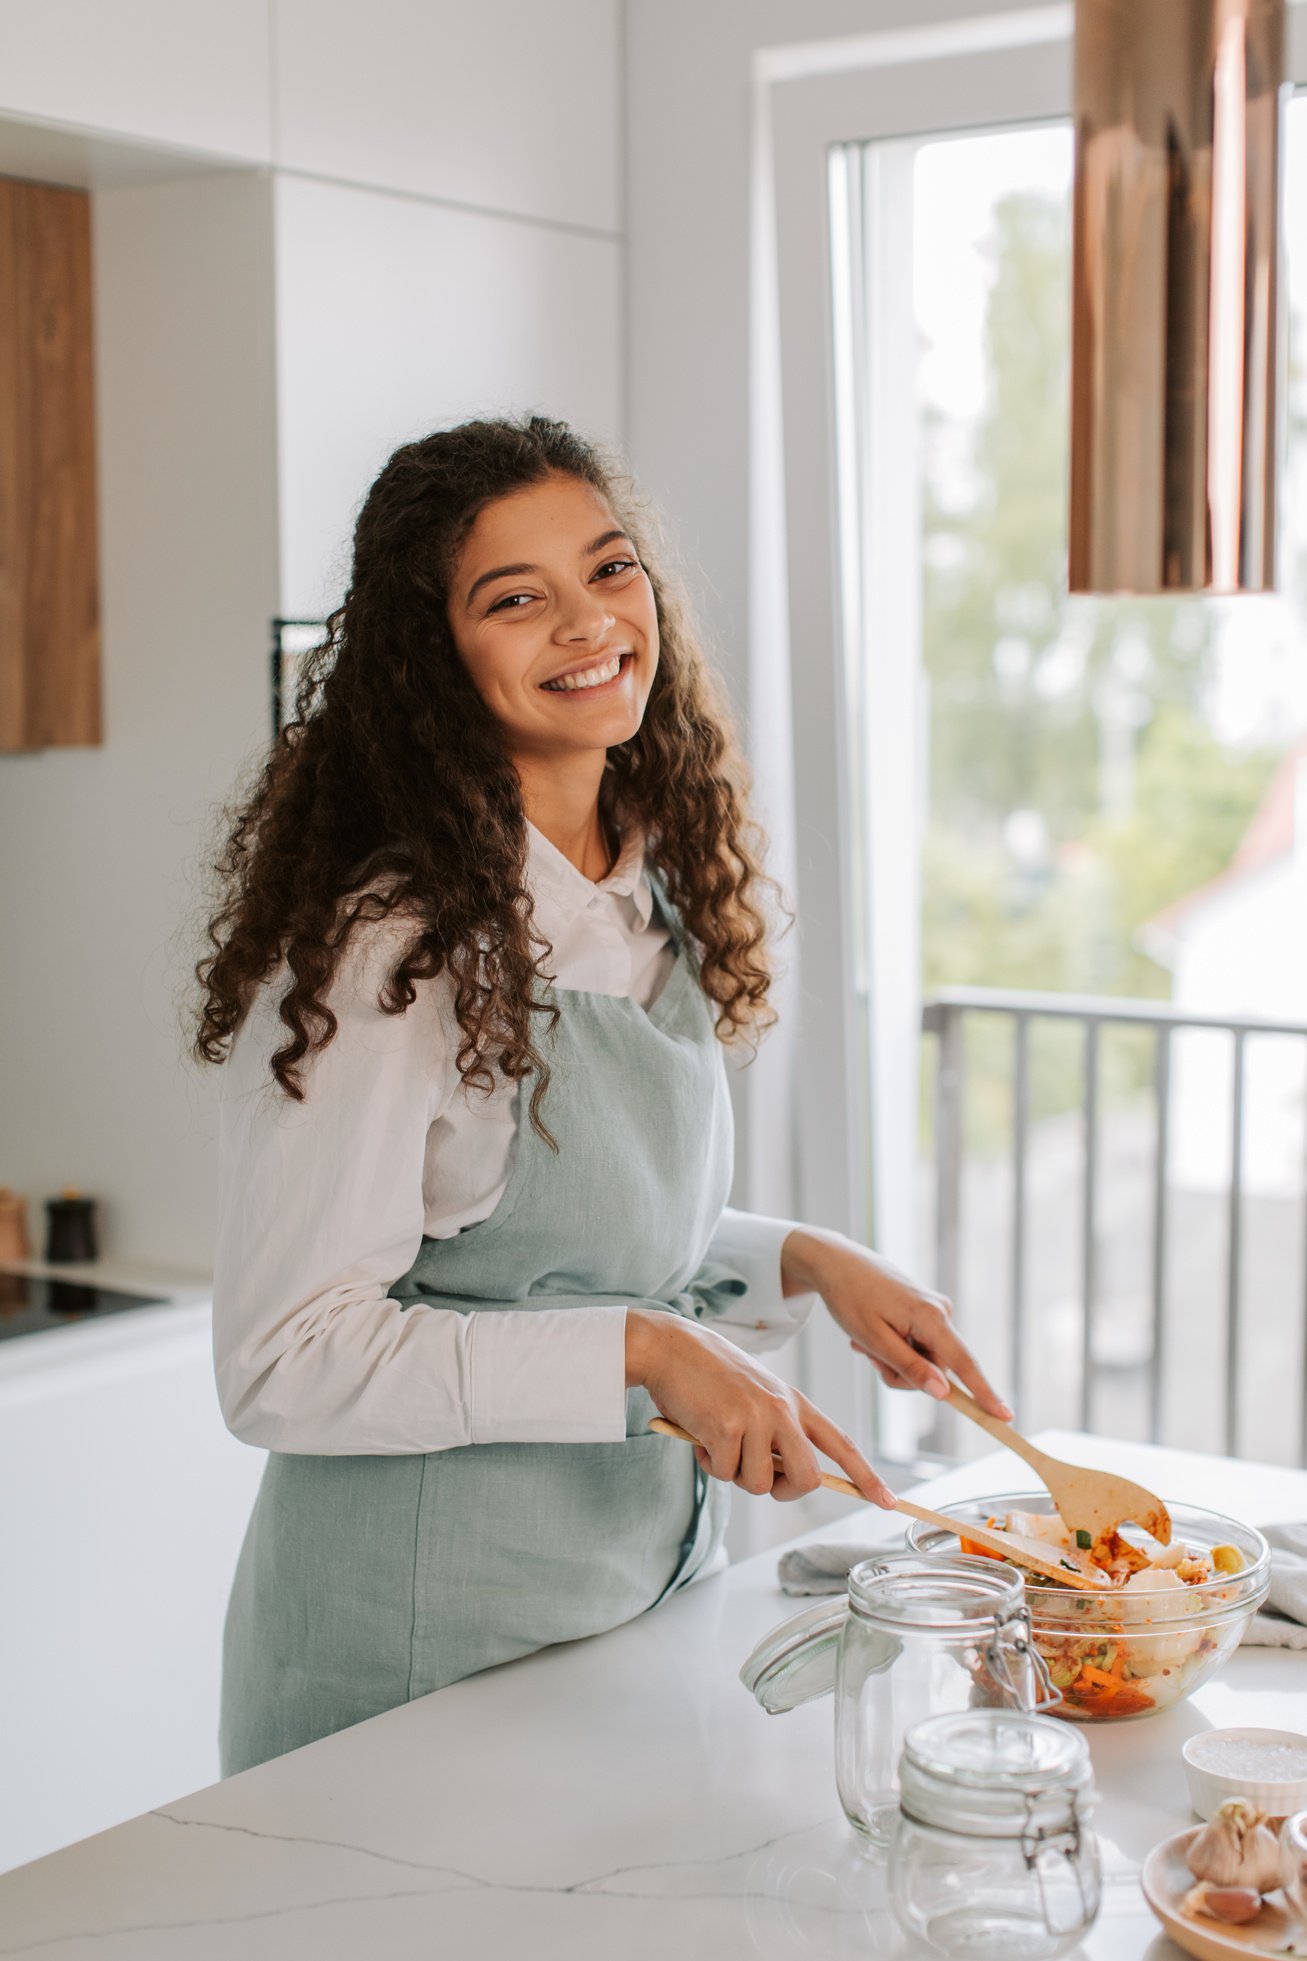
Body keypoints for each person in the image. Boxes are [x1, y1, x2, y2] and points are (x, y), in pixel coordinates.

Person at [196, 415, 1009, 1776]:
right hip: (414, 1666)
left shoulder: (650, 897)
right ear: (431, 658)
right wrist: (644, 1351)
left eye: (609, 569)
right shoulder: (394, 947)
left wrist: (805, 1261)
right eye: (514, 598)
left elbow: (549, 1245)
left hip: (625, 1604)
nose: (588, 622)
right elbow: (284, 1359)